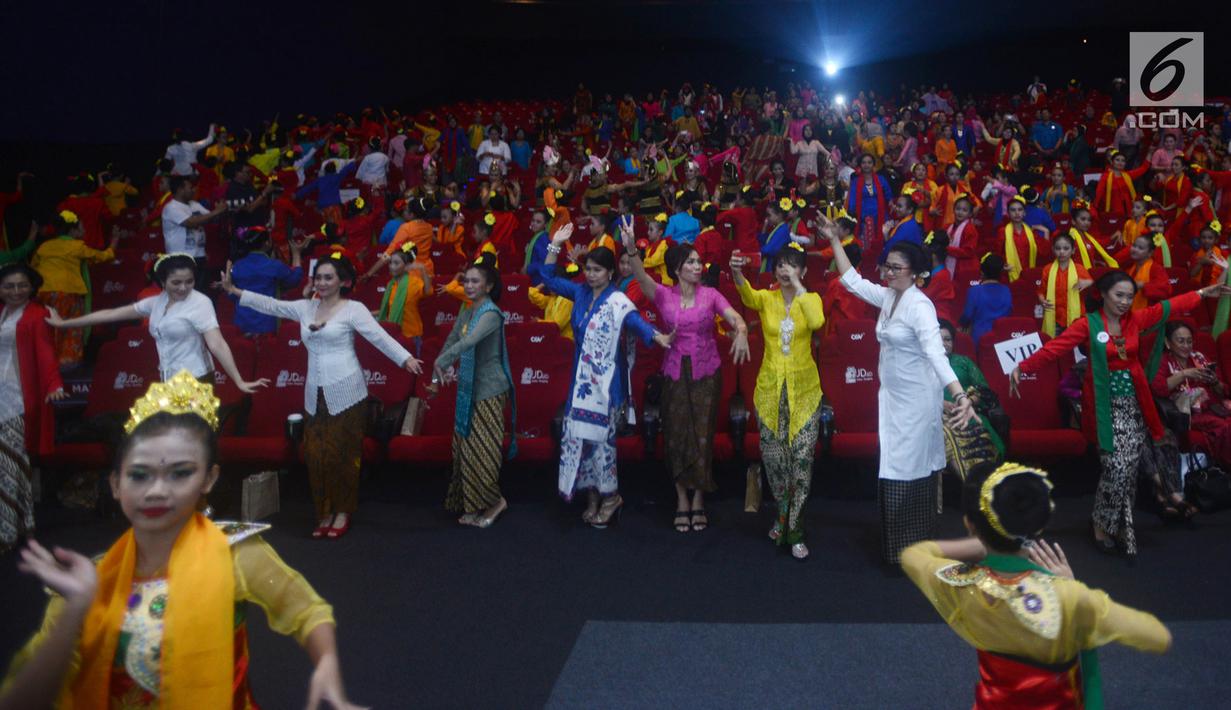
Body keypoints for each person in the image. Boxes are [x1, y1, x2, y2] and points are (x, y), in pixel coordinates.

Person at [0, 372, 365, 709]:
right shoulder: (88, 581)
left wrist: (327, 662)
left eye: (180, 473)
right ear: (115, 484)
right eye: (139, 475)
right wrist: (76, 612)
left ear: (209, 479)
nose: (157, 491)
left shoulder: (235, 554)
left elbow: (304, 609)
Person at [902, 462, 1171, 709]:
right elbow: (1157, 636)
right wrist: (1079, 600)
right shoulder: (1070, 597)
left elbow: (913, 555)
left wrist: (982, 543)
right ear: (1037, 526)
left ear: (970, 525)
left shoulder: (961, 585)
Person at [1011, 271, 1231, 558]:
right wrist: (1023, 368)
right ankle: (1103, 522)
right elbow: (1055, 348)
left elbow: (1168, 307)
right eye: (1119, 295)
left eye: (1129, 296)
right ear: (1103, 294)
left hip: (1134, 406)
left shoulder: (1134, 321)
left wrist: (1201, 294)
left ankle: (1112, 522)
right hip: (1104, 407)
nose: (1126, 302)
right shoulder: (1087, 324)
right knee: (1117, 467)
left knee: (1126, 469)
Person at [219, 254, 423, 538]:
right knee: (315, 455)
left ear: (343, 282)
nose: (322, 282)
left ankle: (342, 511)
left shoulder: (354, 309)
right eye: (319, 277)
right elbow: (272, 304)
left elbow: (379, 337)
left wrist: (405, 359)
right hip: (315, 392)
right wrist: (235, 291)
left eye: (329, 278)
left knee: (344, 455)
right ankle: (323, 511)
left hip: (348, 390)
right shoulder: (305, 307)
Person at [821, 216, 977, 563]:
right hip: (893, 400)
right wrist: (834, 240)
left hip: (917, 403)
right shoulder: (890, 296)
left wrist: (960, 395)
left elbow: (938, 355)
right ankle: (898, 548)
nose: (887, 274)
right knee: (895, 468)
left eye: (895, 269)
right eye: (886, 267)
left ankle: (913, 551)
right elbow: (853, 282)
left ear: (915, 273)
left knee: (908, 472)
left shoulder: (920, 307)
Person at [539, 224, 673, 528]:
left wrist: (659, 338)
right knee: (582, 441)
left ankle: (611, 496)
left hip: (608, 386)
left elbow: (637, 322)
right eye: (588, 269)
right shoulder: (580, 292)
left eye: (598, 270)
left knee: (602, 445)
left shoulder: (618, 300)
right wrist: (555, 246)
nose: (591, 275)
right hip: (580, 384)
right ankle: (592, 497)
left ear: (611, 273)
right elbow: (546, 278)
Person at [621, 226, 750, 534]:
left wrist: (742, 332)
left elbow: (735, 318)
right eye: (691, 262)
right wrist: (630, 249)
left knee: (702, 434)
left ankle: (699, 498)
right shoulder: (664, 295)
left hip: (707, 372)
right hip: (674, 372)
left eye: (698, 261)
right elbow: (640, 277)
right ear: (677, 269)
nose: (698, 266)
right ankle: (681, 497)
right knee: (678, 434)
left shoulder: (711, 295)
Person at [47, 254, 263, 393]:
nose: (183, 288)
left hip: (195, 381)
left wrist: (238, 380)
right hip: (167, 379)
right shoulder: (155, 303)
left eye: (189, 281)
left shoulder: (200, 302)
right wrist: (65, 324)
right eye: (176, 282)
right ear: (162, 282)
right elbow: (112, 314)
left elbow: (217, 344)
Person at [731, 242, 824, 559]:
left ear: (803, 271)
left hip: (805, 392)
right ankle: (782, 517)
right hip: (770, 391)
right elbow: (746, 294)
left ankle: (795, 530)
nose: (784, 270)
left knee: (801, 462)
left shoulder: (810, 299)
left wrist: (798, 287)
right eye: (780, 265)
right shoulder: (766, 299)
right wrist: (735, 271)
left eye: (792, 265)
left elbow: (817, 322)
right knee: (776, 463)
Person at [428, 255, 515, 528]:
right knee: (465, 449)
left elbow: (468, 342)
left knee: (483, 450)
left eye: (475, 281)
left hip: (489, 389)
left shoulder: (490, 313)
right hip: (468, 387)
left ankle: (495, 502)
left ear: (489, 286)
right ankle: (474, 504)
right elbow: (453, 338)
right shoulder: (466, 310)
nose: (468, 286)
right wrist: (435, 374)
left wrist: (441, 362)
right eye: (466, 281)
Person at [0, 264, 65, 552]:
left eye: (22, 285)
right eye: (9, 286)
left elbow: (46, 352)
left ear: (32, 286)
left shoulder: (38, 315)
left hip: (17, 396)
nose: (16, 291)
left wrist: (53, 384)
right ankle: (22, 522)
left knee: (11, 462)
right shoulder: (1, 313)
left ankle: (7, 530)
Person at [30, 210, 118, 367]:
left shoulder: (44, 246)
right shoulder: (77, 246)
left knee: (47, 329)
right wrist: (114, 243)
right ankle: (68, 365)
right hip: (68, 294)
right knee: (69, 329)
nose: (84, 230)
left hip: (42, 294)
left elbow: (33, 268)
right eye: (81, 227)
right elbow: (104, 256)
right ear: (72, 230)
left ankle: (45, 364)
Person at [1152, 321, 1231, 479]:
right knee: (1226, 428)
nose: (1186, 345)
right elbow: (1158, 388)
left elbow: (1223, 391)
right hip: (1188, 414)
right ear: (1168, 342)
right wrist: (1185, 374)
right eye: (1180, 341)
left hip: (1215, 406)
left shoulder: (1199, 357)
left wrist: (1214, 381)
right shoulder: (1163, 361)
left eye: (1189, 341)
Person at [938, 320, 1005, 461]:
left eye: (948, 339)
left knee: (982, 448)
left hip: (969, 414)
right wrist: (941, 404)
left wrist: (968, 401)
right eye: (938, 339)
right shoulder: (921, 364)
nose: (944, 343)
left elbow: (984, 390)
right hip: (935, 418)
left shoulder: (964, 362)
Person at [228, 227, 307, 337]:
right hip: (266, 325)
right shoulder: (274, 265)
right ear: (267, 244)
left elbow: (232, 295)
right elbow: (295, 279)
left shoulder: (237, 266)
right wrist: (296, 253)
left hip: (242, 324)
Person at [375, 244, 430, 354]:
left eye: (396, 263)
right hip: (394, 334)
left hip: (411, 334)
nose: (391, 266)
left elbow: (427, 291)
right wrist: (370, 313)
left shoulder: (414, 282)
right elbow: (390, 309)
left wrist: (423, 270)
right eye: (390, 263)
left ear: (406, 266)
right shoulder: (391, 285)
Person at [1038, 233, 1094, 337]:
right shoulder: (1048, 269)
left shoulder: (1079, 269)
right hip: (1055, 317)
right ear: (1053, 250)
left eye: (1066, 248)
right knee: (1054, 346)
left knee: (1076, 348)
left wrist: (1088, 282)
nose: (1062, 252)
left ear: (1073, 250)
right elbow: (1041, 292)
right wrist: (1042, 301)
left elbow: (1093, 285)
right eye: (1058, 248)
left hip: (1076, 317)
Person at [960, 255, 1013, 345]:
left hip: (979, 339)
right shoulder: (1006, 290)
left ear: (982, 273)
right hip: (1001, 339)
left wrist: (962, 325)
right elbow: (1009, 312)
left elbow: (967, 316)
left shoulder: (974, 291)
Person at [1001, 197, 1048, 282]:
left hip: (1029, 274)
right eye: (1013, 210)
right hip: (1009, 274)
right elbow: (998, 254)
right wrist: (1002, 266)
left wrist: (1046, 232)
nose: (1017, 213)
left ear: (1024, 213)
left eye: (1020, 210)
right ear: (1008, 213)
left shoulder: (1030, 232)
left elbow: (1044, 251)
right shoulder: (1003, 232)